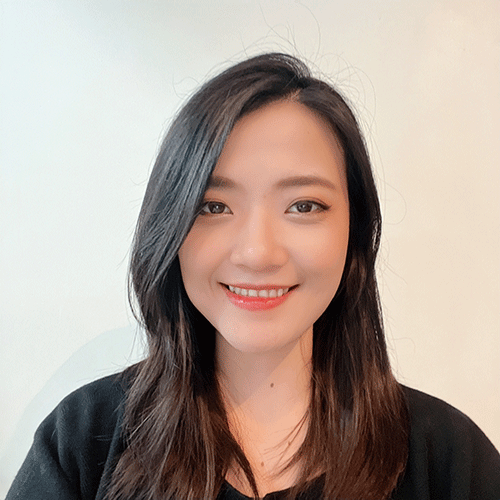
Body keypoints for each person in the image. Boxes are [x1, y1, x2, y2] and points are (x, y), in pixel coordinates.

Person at [6, 53, 500, 500]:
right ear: (171, 225)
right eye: (214, 206)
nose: (258, 253)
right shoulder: (82, 443)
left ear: (354, 228)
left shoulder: (451, 461)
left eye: (303, 206)